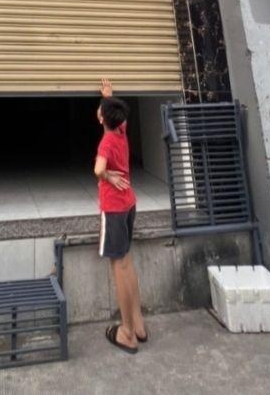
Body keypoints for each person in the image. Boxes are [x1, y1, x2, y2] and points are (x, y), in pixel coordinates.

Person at [94, 77, 147, 354]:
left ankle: (126, 332)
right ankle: (138, 323)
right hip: (129, 204)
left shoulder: (106, 142)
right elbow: (116, 115)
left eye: (100, 109)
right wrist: (108, 96)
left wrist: (108, 176)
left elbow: (98, 169)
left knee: (119, 268)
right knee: (128, 262)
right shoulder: (121, 131)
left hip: (114, 208)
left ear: (102, 118)